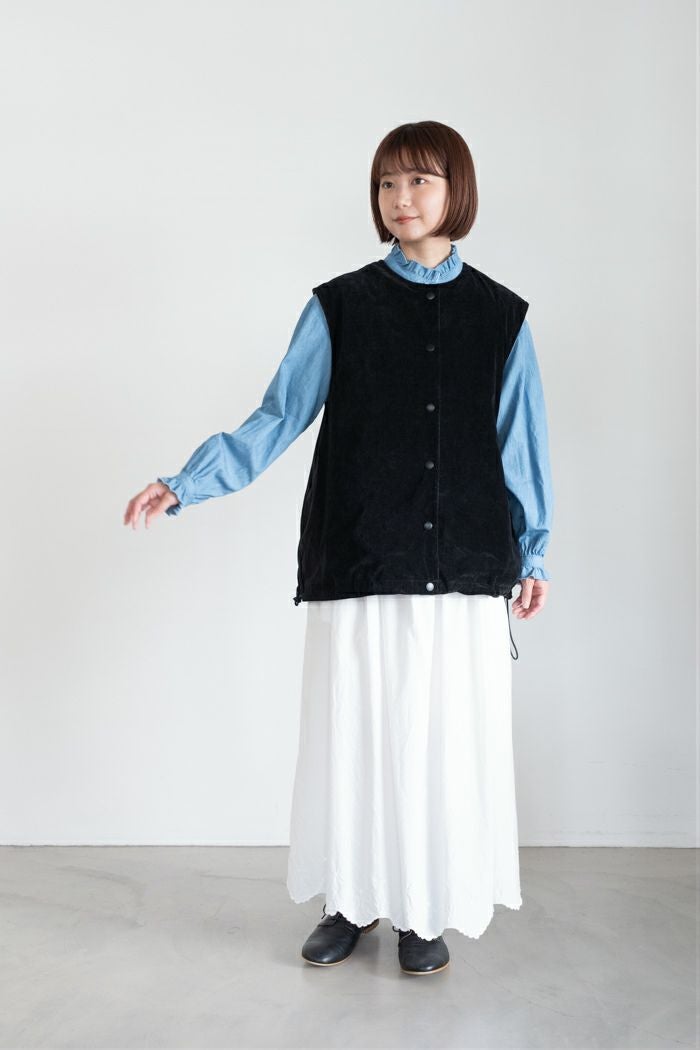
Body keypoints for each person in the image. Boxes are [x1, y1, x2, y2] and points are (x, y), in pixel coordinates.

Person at [123, 120, 554, 977]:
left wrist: (533, 552)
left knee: (440, 741)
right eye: (388, 183)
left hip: (464, 563)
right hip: (359, 551)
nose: (401, 198)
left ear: (457, 191)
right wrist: (187, 483)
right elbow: (280, 414)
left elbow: (522, 441)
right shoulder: (340, 305)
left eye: (420, 180)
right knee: (358, 735)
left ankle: (424, 910)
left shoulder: (502, 316)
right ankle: (351, 902)